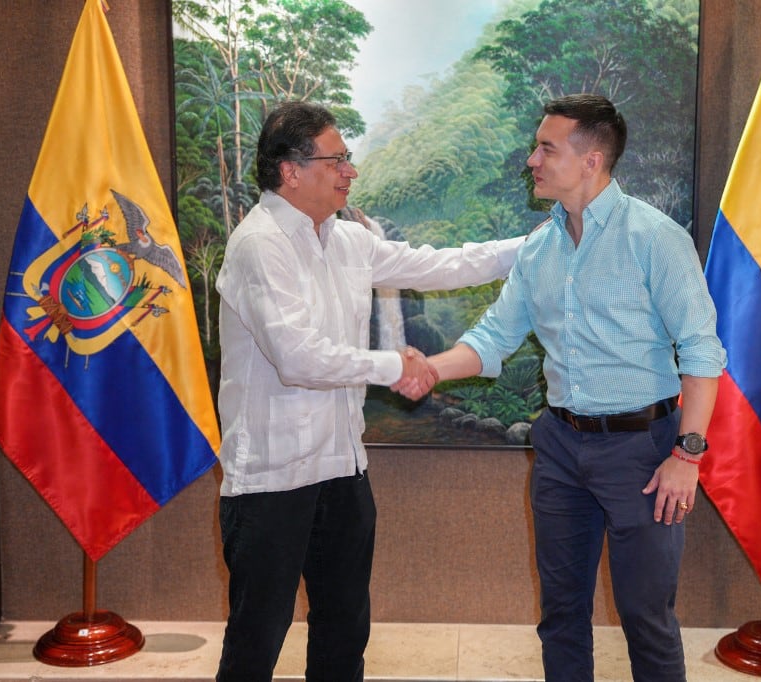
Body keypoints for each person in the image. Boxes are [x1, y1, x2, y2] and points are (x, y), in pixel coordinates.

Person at [399, 94, 726, 681]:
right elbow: (494, 336)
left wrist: (688, 455)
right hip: (559, 448)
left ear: (591, 160)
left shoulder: (655, 238)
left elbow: (702, 353)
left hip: (643, 452)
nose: (532, 160)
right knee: (561, 616)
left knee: (646, 619)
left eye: (546, 149)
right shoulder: (539, 247)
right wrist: (429, 368)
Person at [214, 100, 524, 681]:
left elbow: (439, 265)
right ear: (290, 171)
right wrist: (394, 364)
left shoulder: (347, 240)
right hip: (272, 480)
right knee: (258, 637)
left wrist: (534, 246)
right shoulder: (259, 244)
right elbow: (297, 357)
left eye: (347, 159)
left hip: (342, 469)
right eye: (336, 161)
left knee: (344, 629)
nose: (350, 171)